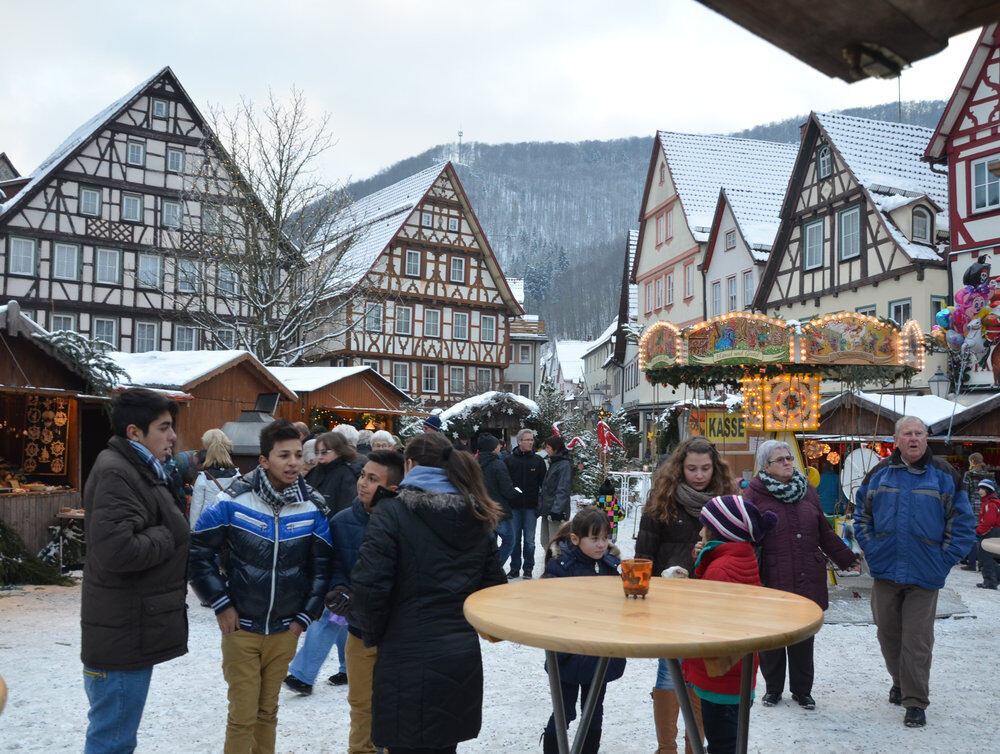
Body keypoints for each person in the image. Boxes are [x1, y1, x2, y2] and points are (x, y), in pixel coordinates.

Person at [350, 432, 506, 754]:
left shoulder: (392, 513)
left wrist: (377, 635)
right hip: (458, 656)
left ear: (409, 465)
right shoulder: (477, 514)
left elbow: (368, 587)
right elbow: (494, 593)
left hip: (405, 655)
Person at [190, 419, 334, 753]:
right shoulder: (233, 500)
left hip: (285, 629)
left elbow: (321, 568)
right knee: (242, 715)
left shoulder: (313, 506)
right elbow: (198, 553)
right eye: (284, 455)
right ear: (264, 460)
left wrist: (305, 618)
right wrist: (221, 603)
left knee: (267, 712)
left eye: (298, 454)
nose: (294, 462)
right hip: (242, 627)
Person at [80, 388, 189, 754]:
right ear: (134, 432)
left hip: (128, 631)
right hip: (121, 638)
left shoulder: (138, 468)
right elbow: (117, 550)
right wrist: (169, 532)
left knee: (116, 736)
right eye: (164, 427)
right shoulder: (118, 472)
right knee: (112, 740)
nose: (173, 436)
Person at [854, 416, 975, 728]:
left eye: (919, 433)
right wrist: (872, 549)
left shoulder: (945, 475)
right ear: (896, 439)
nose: (913, 439)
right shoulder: (879, 473)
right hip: (885, 570)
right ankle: (900, 681)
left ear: (926, 438)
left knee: (917, 641)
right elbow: (861, 514)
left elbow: (962, 524)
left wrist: (943, 560)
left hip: (925, 574)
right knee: (888, 635)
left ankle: (915, 702)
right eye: (907, 434)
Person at [636, 437, 735, 753]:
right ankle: (666, 747)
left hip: (711, 601)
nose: (699, 475)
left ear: (715, 468)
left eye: (705, 468)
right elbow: (644, 555)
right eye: (692, 468)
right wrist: (647, 595)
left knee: (702, 678)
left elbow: (743, 549)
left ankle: (695, 746)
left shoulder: (727, 502)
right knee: (670, 672)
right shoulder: (661, 501)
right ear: (680, 468)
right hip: (672, 604)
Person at [745, 440, 859, 711]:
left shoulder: (807, 490)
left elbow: (824, 531)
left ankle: (802, 691)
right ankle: (773, 689)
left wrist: (846, 558)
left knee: (804, 637)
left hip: (808, 573)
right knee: (772, 638)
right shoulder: (753, 496)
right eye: (780, 459)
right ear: (766, 466)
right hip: (772, 577)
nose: (787, 463)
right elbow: (746, 539)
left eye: (789, 458)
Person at [324, 449, 405, 754]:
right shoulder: (342, 521)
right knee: (361, 706)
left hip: (396, 636)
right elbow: (334, 567)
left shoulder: (405, 523)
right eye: (362, 475)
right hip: (359, 632)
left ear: (392, 489)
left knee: (395, 708)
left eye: (373, 479)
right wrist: (337, 589)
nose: (363, 483)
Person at [683, 495, 777, 754]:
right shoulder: (740, 556)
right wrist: (705, 558)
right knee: (731, 742)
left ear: (719, 531)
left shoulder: (720, 570)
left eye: (705, 526)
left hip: (720, 677)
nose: (701, 531)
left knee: (722, 745)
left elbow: (708, 619)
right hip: (738, 675)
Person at [541, 507, 626, 754]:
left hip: (600, 653)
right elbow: (546, 605)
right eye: (594, 538)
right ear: (576, 539)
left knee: (593, 713)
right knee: (563, 712)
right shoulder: (560, 567)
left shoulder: (612, 567)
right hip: (565, 653)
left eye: (605, 538)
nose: (601, 545)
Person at [285, 430, 361, 692]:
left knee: (329, 613)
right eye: (317, 451)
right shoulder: (316, 473)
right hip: (319, 547)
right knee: (341, 615)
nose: (319, 456)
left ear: (339, 450)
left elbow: (346, 516)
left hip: (338, 550)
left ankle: (302, 675)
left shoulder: (347, 475)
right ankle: (349, 667)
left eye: (325, 451)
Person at [505, 428, 547, 579]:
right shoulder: (509, 460)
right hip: (514, 507)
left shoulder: (538, 461)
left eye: (532, 440)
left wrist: (540, 505)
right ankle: (514, 568)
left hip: (530, 507)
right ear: (519, 441)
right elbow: (505, 484)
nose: (530, 442)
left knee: (529, 541)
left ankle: (528, 568)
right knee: (515, 540)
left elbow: (544, 485)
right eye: (527, 440)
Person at [477, 433, 518, 569]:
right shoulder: (498, 464)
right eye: (497, 445)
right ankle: (493, 569)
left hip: (481, 509)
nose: (499, 448)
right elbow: (507, 490)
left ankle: (486, 569)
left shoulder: (474, 464)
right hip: (499, 511)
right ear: (493, 448)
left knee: (489, 544)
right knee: (509, 541)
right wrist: (516, 493)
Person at [189, 428, 240, 529]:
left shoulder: (203, 477)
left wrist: (193, 530)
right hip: (229, 523)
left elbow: (196, 507)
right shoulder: (237, 475)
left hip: (207, 524)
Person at [961, 453, 995, 571]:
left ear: (972, 461)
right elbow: (995, 492)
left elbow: (964, 493)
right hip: (987, 508)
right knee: (985, 535)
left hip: (972, 507)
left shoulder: (969, 475)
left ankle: (971, 563)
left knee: (972, 535)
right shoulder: (990, 476)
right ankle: (982, 564)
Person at [538, 435, 572, 550]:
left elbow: (563, 489)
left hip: (556, 512)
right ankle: (550, 565)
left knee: (556, 544)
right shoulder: (554, 462)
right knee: (545, 542)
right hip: (547, 509)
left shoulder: (564, 465)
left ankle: (558, 566)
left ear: (556, 448)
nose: (546, 450)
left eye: (548, 447)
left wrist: (556, 510)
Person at [975, 478, 1000, 590]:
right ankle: (994, 579)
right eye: (980, 488)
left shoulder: (989, 504)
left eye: (983, 489)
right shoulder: (989, 503)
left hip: (991, 532)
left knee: (986, 557)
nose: (980, 491)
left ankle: (990, 582)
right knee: (990, 557)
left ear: (989, 490)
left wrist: (978, 532)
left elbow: (988, 522)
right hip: (994, 531)